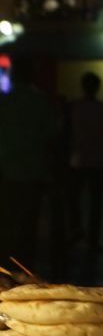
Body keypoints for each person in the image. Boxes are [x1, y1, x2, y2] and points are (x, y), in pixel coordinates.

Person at [0, 55, 57, 271]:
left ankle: (5, 268)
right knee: (28, 225)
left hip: (6, 172)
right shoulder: (41, 102)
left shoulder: (4, 102)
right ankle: (25, 268)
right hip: (33, 174)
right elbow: (51, 138)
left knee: (6, 224)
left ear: (14, 75)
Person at [67, 71, 103, 252]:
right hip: (98, 160)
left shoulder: (73, 107)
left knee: (73, 199)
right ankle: (92, 239)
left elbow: (66, 135)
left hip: (77, 160)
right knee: (96, 203)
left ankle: (76, 230)